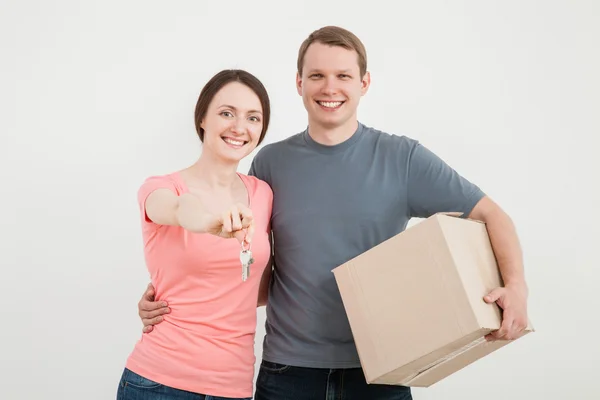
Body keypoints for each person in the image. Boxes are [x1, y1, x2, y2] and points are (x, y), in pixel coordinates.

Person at [138, 26, 529, 400]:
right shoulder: (270, 165)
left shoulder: (403, 159)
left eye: (343, 75)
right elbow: (253, 264)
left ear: (364, 83)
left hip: (382, 368)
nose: (329, 88)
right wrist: (179, 294)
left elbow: (492, 215)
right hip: (287, 372)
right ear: (299, 84)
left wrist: (516, 287)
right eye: (317, 75)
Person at [117, 69, 274, 400]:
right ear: (202, 117)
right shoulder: (161, 188)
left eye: (253, 117)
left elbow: (256, 289)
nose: (239, 127)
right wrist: (208, 223)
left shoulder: (263, 195)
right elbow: (177, 209)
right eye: (226, 113)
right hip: (158, 383)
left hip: (233, 387)